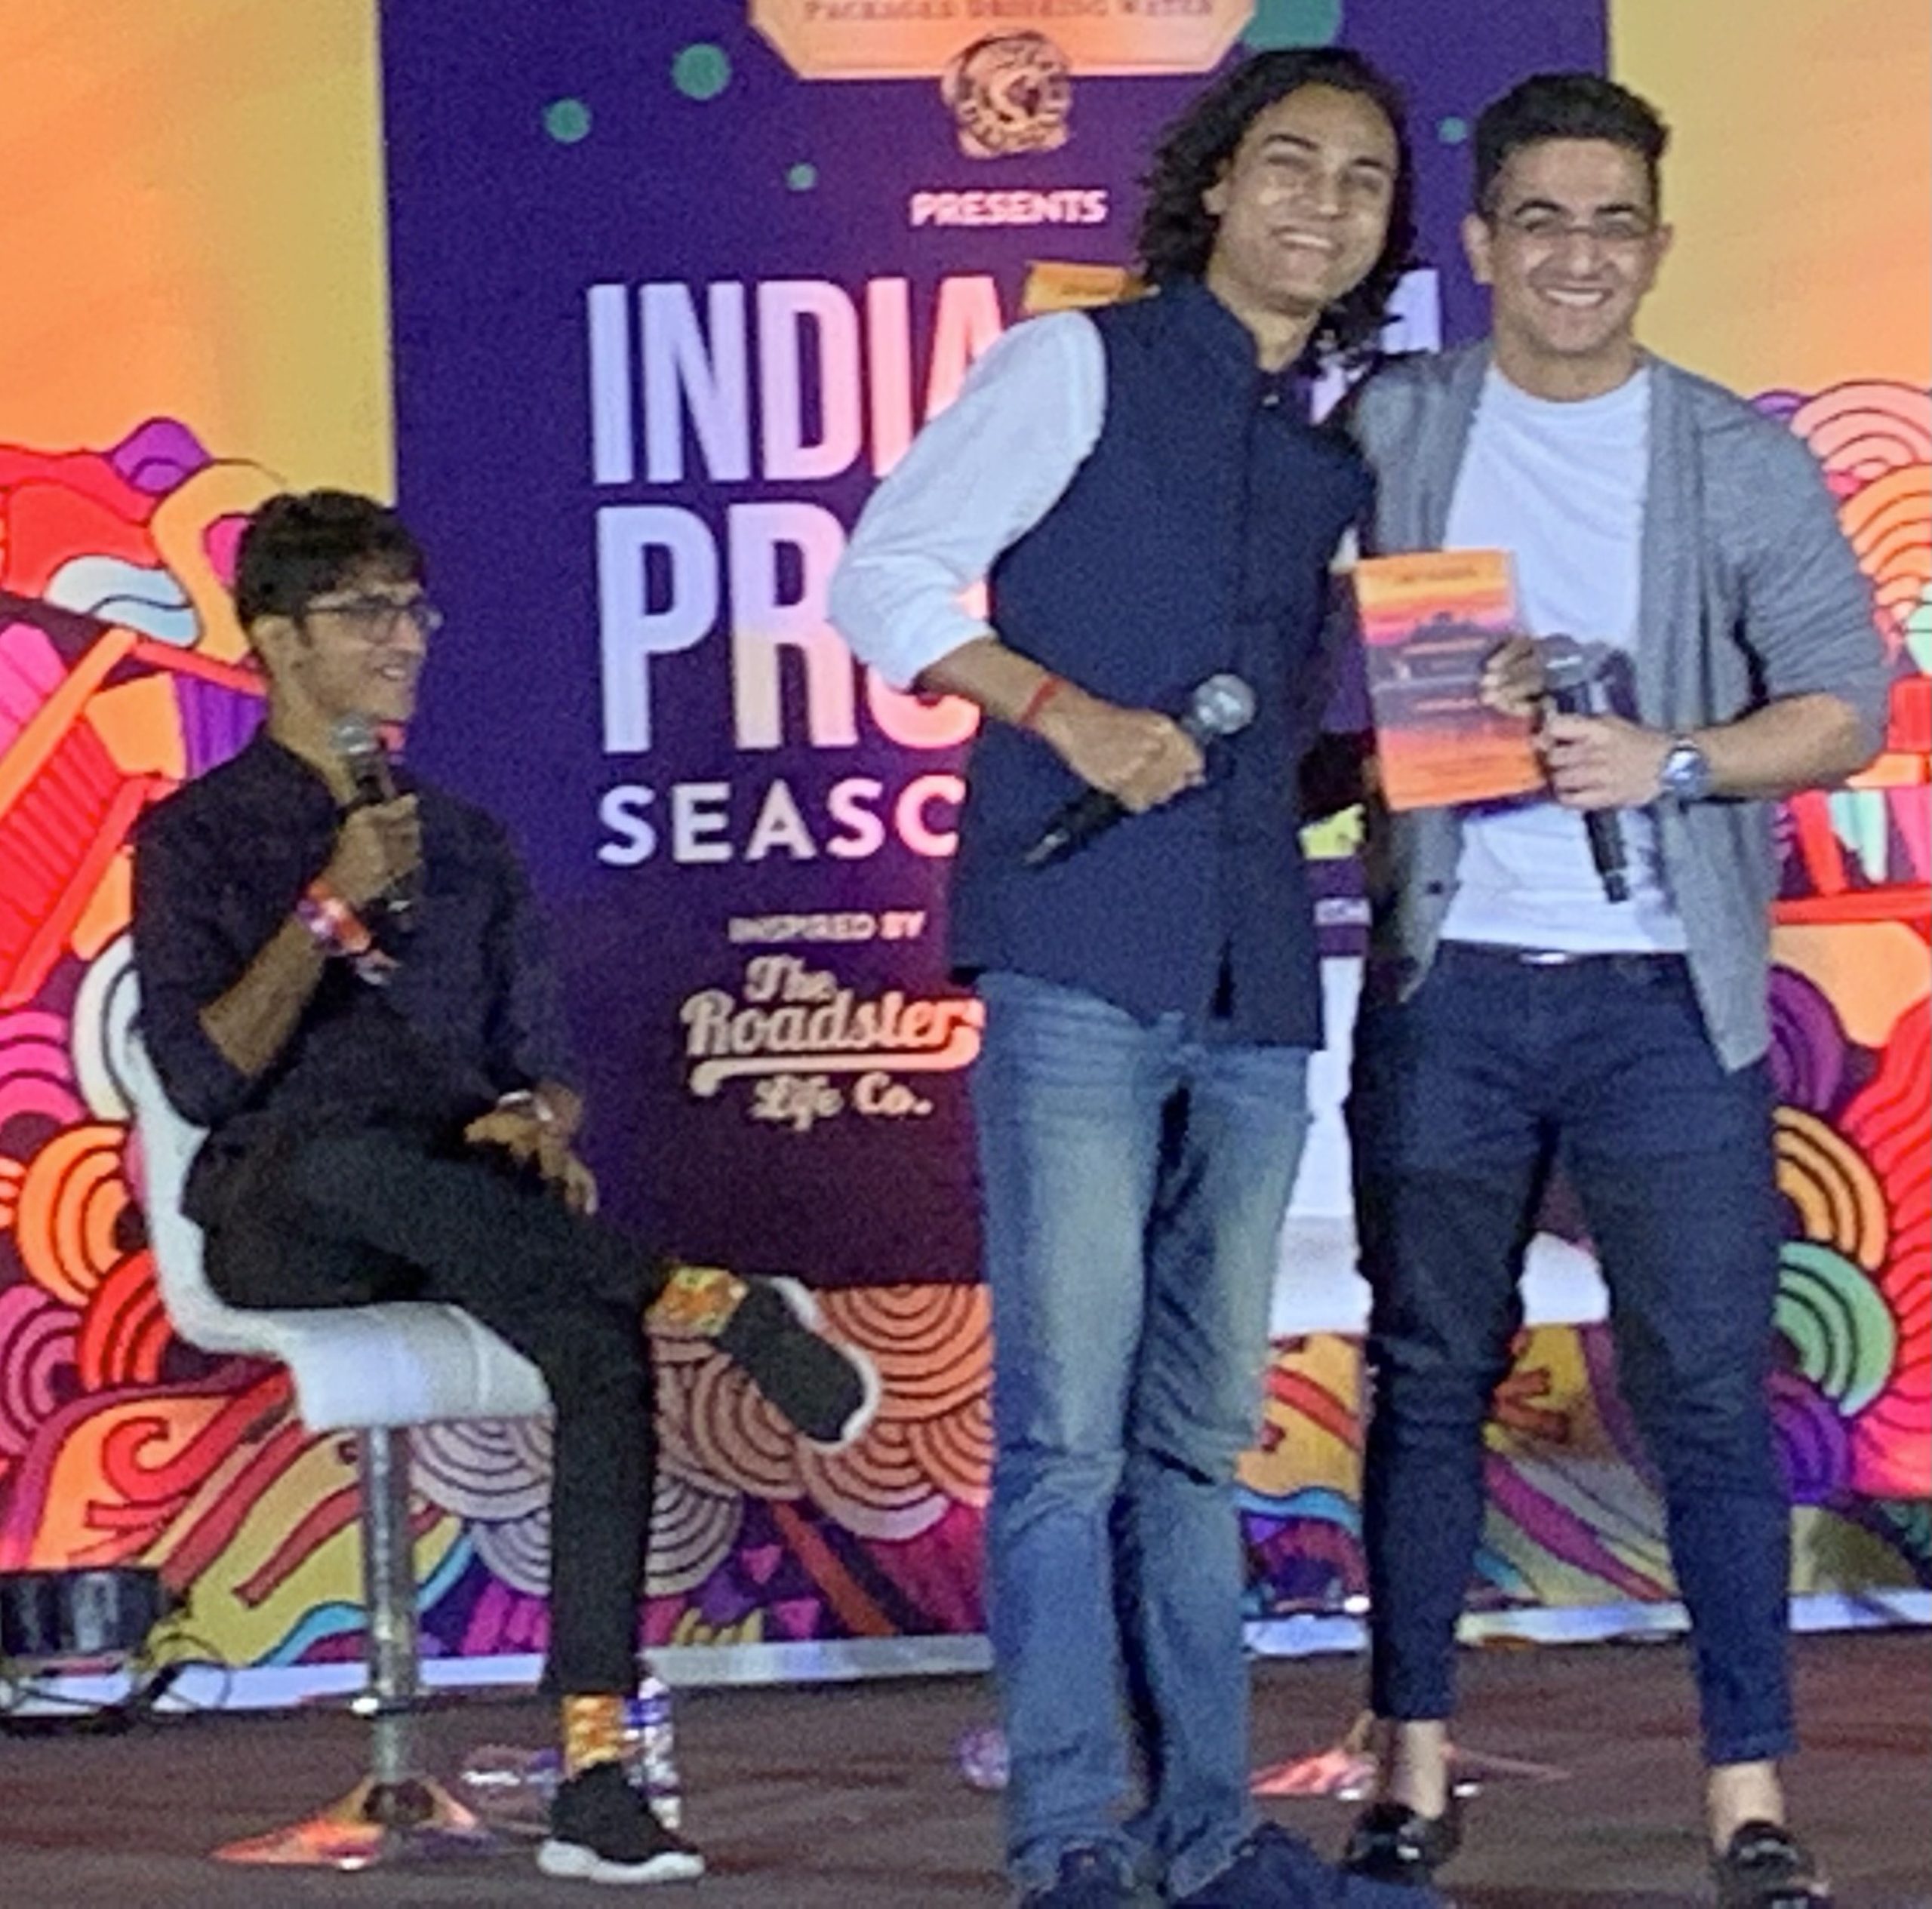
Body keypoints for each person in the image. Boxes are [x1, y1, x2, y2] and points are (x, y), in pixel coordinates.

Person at [832, 49, 1434, 1909]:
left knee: (1192, 1441)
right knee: (1065, 1440)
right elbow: (882, 578)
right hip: (1078, 954)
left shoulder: (1337, 452)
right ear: (1214, 185)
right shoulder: (1072, 364)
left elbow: (1306, 743)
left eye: (1359, 180)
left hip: (1256, 979)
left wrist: (1451, 732)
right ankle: (1070, 1837)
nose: (1320, 204)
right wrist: (1064, 712)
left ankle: (1212, 1832)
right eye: (1288, 164)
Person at [132, 490, 878, 1889]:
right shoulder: (198, 835)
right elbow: (202, 1075)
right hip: (289, 1210)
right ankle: (702, 1294)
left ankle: (596, 1772)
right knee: (349, 1155)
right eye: (366, 611)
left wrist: (541, 1115)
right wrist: (330, 904)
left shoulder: (466, 837)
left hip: (456, 1199)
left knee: (595, 1344)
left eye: (414, 608)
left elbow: (543, 1062)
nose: (405, 638)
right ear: (277, 638)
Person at [1337, 73, 1888, 1909]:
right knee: (1428, 1375)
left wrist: (1669, 759)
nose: (1577, 256)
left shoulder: (1732, 454)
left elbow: (1843, 703)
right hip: (1451, 982)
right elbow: (1288, 632)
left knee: (1708, 1396)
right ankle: (1407, 1768)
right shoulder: (1397, 420)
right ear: (1480, 243)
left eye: (1612, 223)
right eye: (1541, 221)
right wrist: (1416, 696)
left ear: (1655, 246)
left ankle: (1746, 1794)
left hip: (1667, 1000)